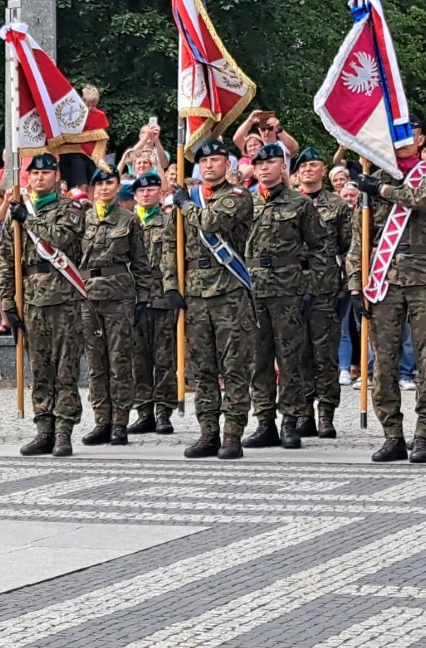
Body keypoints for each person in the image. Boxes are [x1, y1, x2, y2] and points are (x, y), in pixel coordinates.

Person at [348, 132, 426, 463]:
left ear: (419, 140)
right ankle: (392, 434)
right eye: (396, 136)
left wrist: (380, 190)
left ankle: (425, 434)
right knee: (383, 362)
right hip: (385, 280)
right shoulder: (373, 179)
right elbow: (360, 238)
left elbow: (424, 200)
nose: (402, 142)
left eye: (408, 135)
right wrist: (355, 284)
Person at [0, 153, 83, 456]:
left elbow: (61, 239)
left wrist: (28, 219)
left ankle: (63, 431)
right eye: (34, 174)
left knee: (65, 368)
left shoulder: (70, 209)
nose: (39, 178)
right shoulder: (18, 213)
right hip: (31, 301)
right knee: (40, 368)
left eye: (45, 173)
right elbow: (6, 260)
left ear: (56, 176)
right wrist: (7, 302)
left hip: (64, 299)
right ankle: (43, 428)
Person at [174, 138, 255, 459]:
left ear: (227, 164)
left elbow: (210, 222)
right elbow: (172, 245)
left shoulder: (238, 196)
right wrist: (172, 287)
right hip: (195, 293)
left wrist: (184, 204)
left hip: (229, 290)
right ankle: (208, 432)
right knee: (203, 368)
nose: (209, 165)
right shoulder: (191, 198)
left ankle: (232, 434)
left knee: (233, 366)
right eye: (204, 161)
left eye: (216, 160)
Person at [241, 143, 324, 450]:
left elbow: (319, 248)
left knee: (291, 359)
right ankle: (264, 422)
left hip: (288, 290)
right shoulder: (246, 202)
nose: (264, 168)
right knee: (258, 359)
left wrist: (311, 287)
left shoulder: (299, 203)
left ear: (282, 167)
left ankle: (290, 420)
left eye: (271, 162)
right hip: (252, 288)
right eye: (259, 164)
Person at [77, 165, 150, 444]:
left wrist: (143, 297)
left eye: (109, 183)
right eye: (99, 184)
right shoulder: (83, 220)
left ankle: (120, 422)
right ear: (93, 189)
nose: (104, 188)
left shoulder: (129, 220)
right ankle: (102, 421)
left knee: (119, 361)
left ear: (118, 187)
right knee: (96, 364)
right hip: (89, 298)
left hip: (119, 297)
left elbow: (140, 263)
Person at [295, 148, 349, 438]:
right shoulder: (289, 203)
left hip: (325, 287)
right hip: (292, 286)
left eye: (313, 165)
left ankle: (326, 413)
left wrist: (346, 286)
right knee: (298, 352)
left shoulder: (337, 205)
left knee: (325, 354)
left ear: (323, 170)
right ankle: (303, 412)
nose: (307, 169)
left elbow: (347, 246)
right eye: (303, 166)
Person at [129, 170, 178, 434]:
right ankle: (144, 410)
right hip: (135, 298)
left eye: (151, 190)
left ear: (161, 193)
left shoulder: (170, 222)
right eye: (141, 191)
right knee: (138, 359)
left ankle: (163, 411)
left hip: (162, 296)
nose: (146, 194)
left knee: (164, 358)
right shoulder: (127, 222)